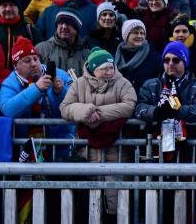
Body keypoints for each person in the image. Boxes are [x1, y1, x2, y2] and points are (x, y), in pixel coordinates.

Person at [59, 48, 137, 211]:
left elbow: (129, 106)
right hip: (87, 151)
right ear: (93, 69)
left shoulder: (123, 83)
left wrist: (98, 114)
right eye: (104, 69)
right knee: (89, 205)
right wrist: (85, 111)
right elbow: (65, 108)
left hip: (117, 151)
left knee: (118, 204)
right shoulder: (79, 84)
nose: (109, 72)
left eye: (111, 67)